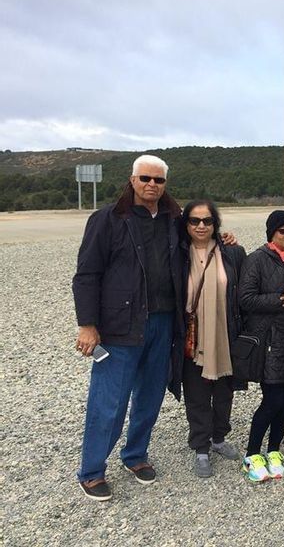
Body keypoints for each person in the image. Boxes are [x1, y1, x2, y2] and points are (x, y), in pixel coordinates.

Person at [72, 155, 185, 501]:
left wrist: (224, 241)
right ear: (132, 179)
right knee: (109, 402)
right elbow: (87, 275)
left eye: (159, 180)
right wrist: (87, 325)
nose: (152, 185)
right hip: (120, 326)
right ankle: (91, 471)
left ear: (166, 184)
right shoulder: (107, 219)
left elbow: (198, 242)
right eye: (146, 178)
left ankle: (135, 455)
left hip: (163, 322)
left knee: (150, 397)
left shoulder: (174, 219)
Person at [238, 210, 284, 482]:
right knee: (272, 400)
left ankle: (274, 450)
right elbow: (245, 299)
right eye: (283, 230)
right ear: (272, 233)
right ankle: (252, 454)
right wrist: (281, 299)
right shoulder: (256, 259)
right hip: (269, 342)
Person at [180, 200, 246, 478]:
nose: (201, 226)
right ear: (186, 224)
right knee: (196, 394)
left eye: (207, 221)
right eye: (195, 221)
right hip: (191, 338)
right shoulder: (176, 253)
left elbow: (244, 294)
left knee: (223, 392)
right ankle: (201, 447)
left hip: (225, 333)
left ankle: (218, 438)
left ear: (215, 224)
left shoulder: (232, 252)